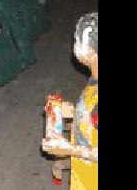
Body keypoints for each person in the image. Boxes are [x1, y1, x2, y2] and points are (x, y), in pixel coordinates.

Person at [43, 13, 98, 189]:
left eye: (76, 39)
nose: (74, 45)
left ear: (90, 51)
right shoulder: (94, 82)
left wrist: (68, 150)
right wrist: (76, 114)